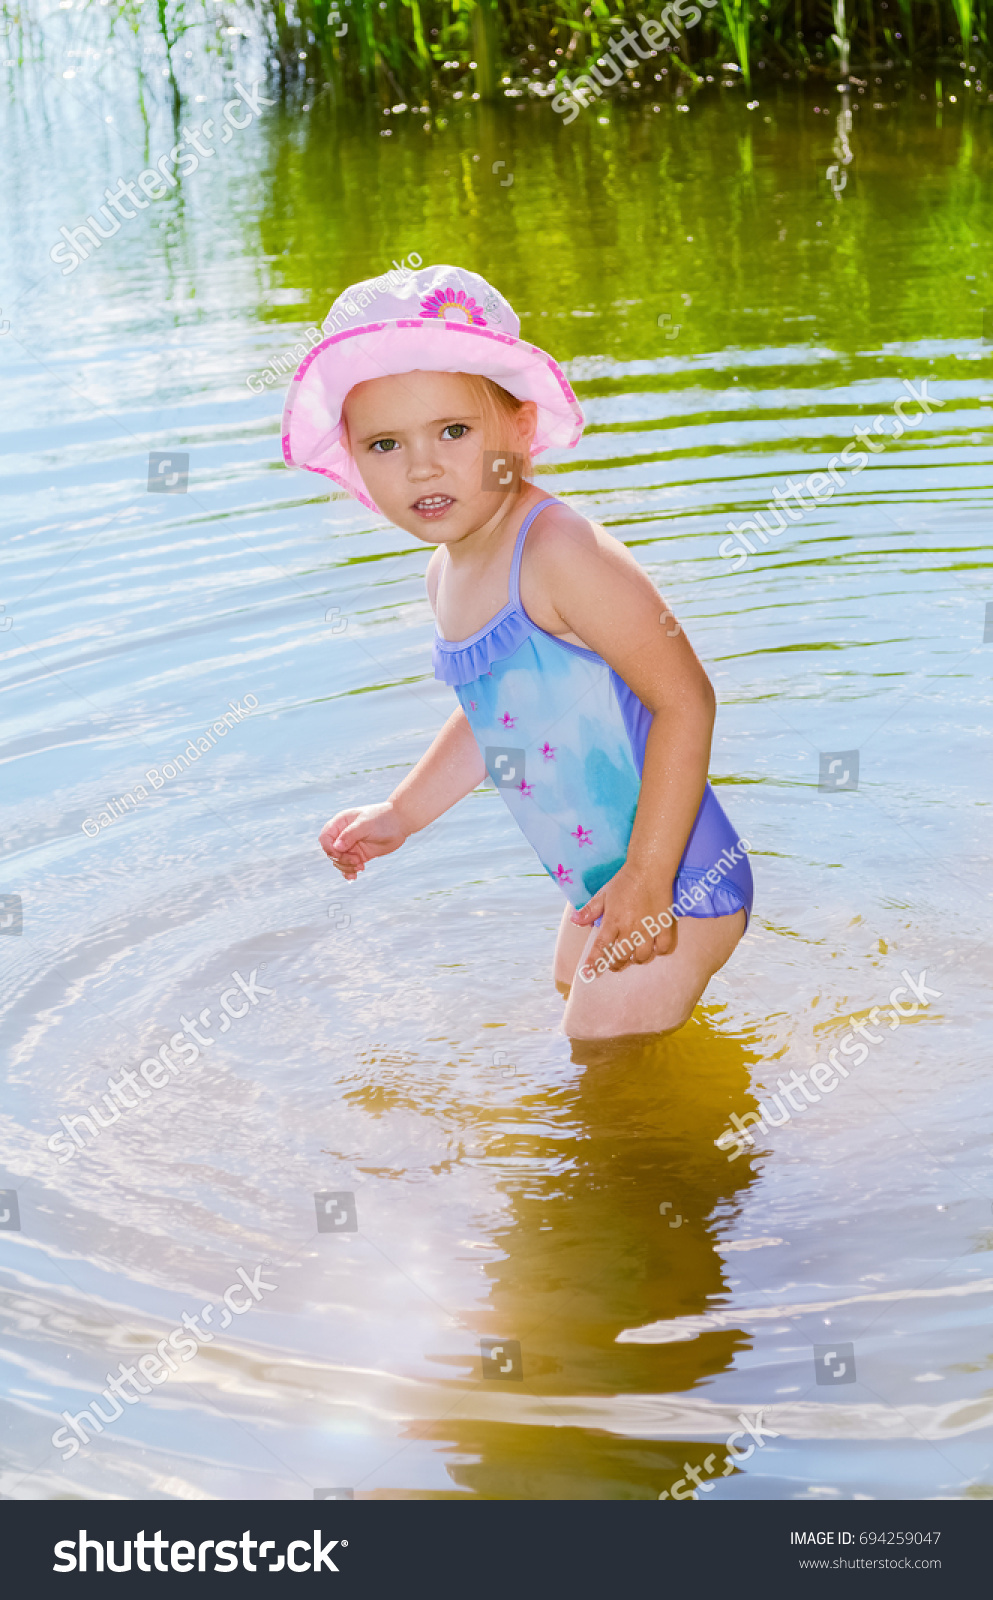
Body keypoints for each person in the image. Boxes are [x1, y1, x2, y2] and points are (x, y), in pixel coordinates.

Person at [282, 264, 753, 1039]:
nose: (422, 466)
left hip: (677, 872)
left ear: (519, 429)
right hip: (605, 873)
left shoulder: (557, 551)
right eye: (385, 444)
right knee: (572, 991)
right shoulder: (448, 570)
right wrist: (402, 814)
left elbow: (685, 701)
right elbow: (497, 717)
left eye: (453, 432)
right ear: (355, 461)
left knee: (601, 1062)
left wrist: (649, 878)